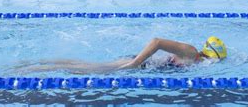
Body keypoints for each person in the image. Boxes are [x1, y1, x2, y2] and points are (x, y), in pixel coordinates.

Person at [15, 36, 227, 74]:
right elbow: (157, 42)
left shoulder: (195, 58)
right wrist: (134, 64)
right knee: (84, 70)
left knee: (86, 65)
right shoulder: (191, 52)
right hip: (138, 63)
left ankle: (37, 63)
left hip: (143, 63)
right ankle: (33, 68)